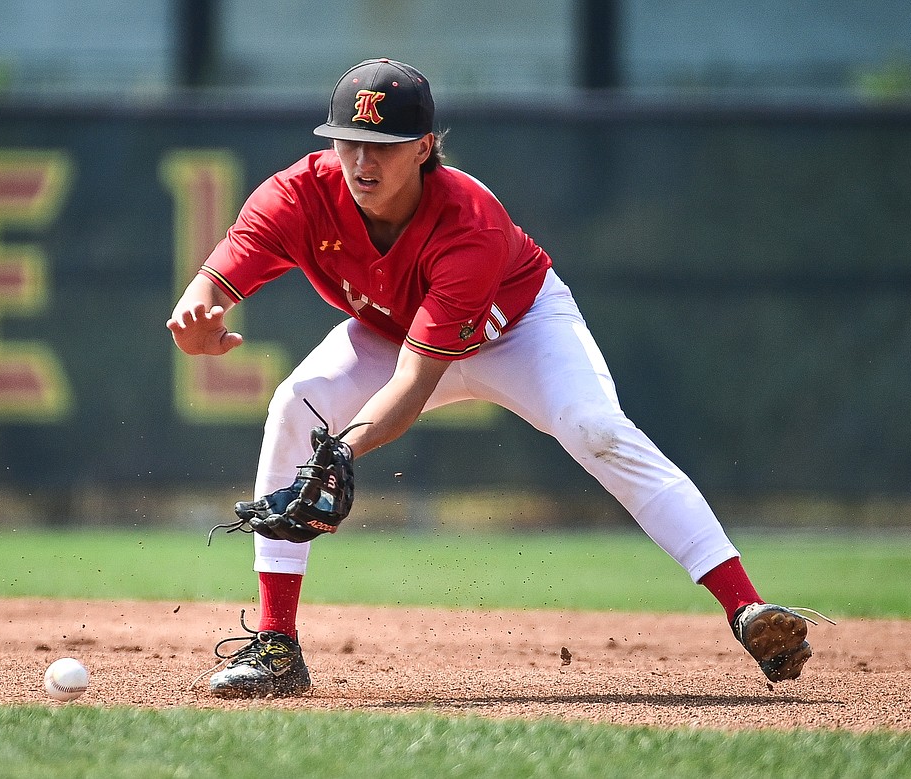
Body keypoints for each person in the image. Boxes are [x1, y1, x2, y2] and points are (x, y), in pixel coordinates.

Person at [167, 58, 821, 699]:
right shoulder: (300, 194)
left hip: (520, 330)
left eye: (384, 146)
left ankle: (746, 607)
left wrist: (344, 450)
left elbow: (414, 386)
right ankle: (277, 648)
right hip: (395, 335)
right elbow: (218, 276)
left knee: (596, 429)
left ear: (425, 147)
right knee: (296, 403)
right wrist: (196, 311)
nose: (362, 161)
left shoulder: (467, 223)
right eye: (349, 141)